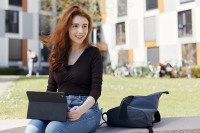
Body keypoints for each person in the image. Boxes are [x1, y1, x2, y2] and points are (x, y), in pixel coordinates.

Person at [25, 5, 103, 133]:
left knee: (53, 129)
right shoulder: (57, 53)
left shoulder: (93, 53)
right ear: (67, 27)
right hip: (59, 107)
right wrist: (45, 110)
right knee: (32, 129)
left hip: (87, 109)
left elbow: (96, 90)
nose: (81, 31)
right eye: (75, 26)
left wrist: (81, 110)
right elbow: (51, 89)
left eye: (85, 26)